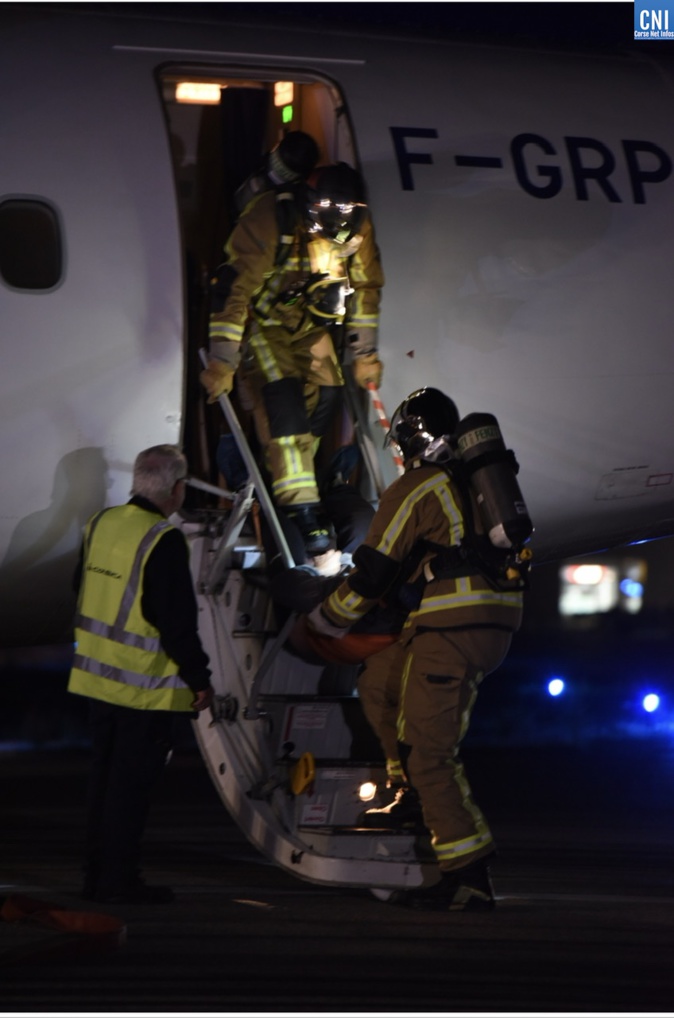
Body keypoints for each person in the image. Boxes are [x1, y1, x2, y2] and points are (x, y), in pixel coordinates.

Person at [304, 388, 526, 911]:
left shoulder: (416, 486)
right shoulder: (473, 483)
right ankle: (409, 797)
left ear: (410, 440)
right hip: (480, 621)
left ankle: (468, 875)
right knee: (380, 681)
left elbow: (373, 571)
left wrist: (325, 619)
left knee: (428, 752)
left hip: (452, 625)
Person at [201, 159, 385, 557]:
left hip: (311, 328)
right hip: (265, 325)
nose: (340, 224)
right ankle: (300, 507)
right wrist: (223, 361)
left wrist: (364, 354)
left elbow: (366, 288)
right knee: (284, 406)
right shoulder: (272, 218)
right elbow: (234, 289)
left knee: (329, 394)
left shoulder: (356, 228)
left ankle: (291, 472)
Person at [68, 445, 214, 905]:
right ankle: (118, 880)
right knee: (130, 790)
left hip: (96, 680)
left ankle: (96, 876)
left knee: (102, 783)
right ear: (176, 488)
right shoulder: (161, 539)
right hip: (142, 690)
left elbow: (80, 587)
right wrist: (200, 679)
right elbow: (176, 622)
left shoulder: (101, 523)